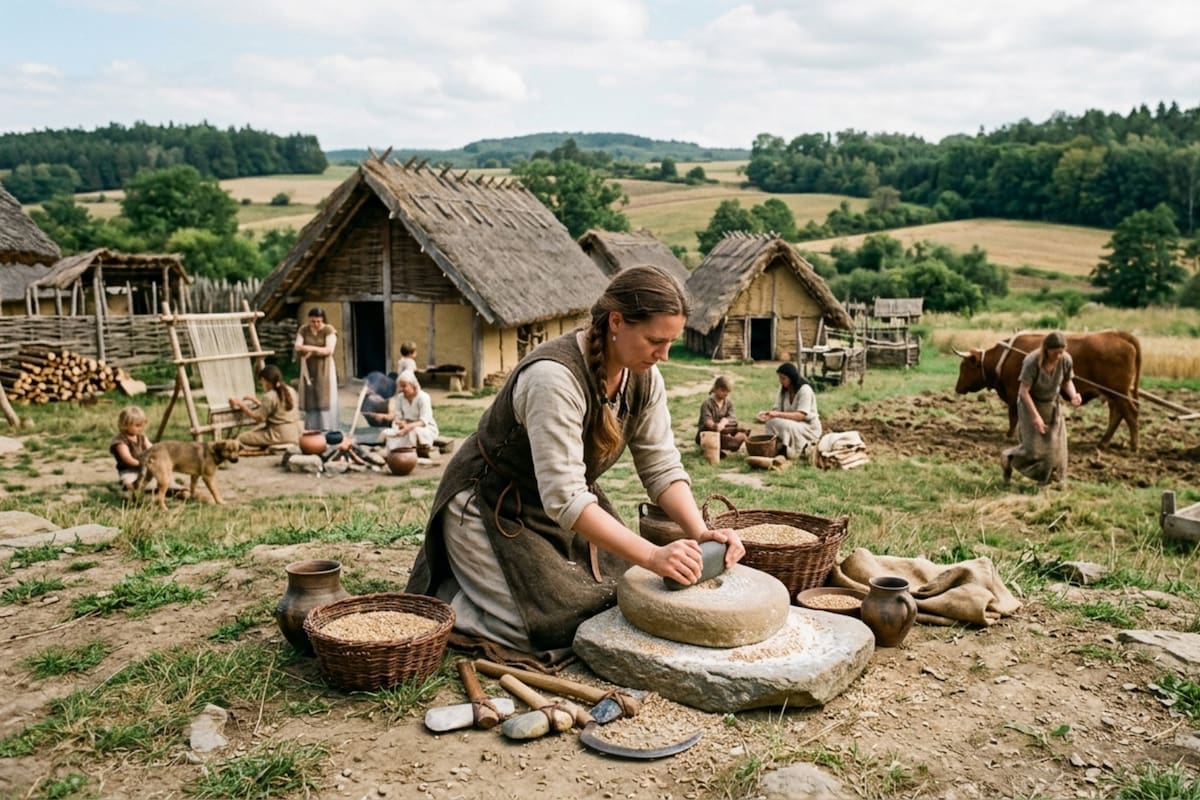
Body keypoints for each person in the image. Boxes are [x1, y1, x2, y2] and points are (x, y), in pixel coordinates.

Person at [405, 266, 745, 661]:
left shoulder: (644, 378)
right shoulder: (553, 378)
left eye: (670, 342)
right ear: (616, 322)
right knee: (546, 627)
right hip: (491, 505)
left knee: (615, 598)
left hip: (565, 506)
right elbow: (565, 496)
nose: (664, 355)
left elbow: (661, 466)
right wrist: (653, 555)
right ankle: (452, 598)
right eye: (656, 340)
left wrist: (700, 532)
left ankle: (493, 587)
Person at [1001, 331, 1082, 485]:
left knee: (1056, 448)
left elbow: (1066, 381)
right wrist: (1035, 417)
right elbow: (1023, 392)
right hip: (1030, 405)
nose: (1059, 356)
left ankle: (1049, 481)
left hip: (1052, 405)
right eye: (1055, 352)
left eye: (1062, 352)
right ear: (1046, 349)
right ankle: (1009, 457)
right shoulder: (1031, 362)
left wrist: (1073, 395)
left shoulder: (1065, 360)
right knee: (1033, 450)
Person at [756, 362, 821, 459]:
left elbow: (800, 416)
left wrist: (777, 414)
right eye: (780, 378)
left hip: (808, 426)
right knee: (770, 422)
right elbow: (777, 410)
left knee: (786, 426)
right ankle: (776, 448)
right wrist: (767, 415)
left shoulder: (805, 390)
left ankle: (791, 451)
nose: (780, 381)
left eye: (783, 378)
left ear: (791, 378)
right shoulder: (783, 389)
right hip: (791, 422)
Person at [229, 364, 302, 449]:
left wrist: (241, 405)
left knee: (241, 437)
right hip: (294, 433)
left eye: (261, 383)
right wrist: (256, 401)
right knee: (256, 431)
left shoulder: (270, 396)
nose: (262, 385)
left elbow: (259, 418)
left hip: (278, 435)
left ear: (264, 380)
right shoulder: (290, 390)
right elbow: (277, 409)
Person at [374, 370, 439, 457]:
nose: (402, 389)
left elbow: (424, 421)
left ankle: (408, 454)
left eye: (405, 386)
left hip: (424, 428)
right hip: (405, 426)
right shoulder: (400, 398)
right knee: (387, 432)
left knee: (413, 432)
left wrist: (408, 427)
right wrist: (400, 423)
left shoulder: (423, 397)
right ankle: (394, 451)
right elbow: (398, 416)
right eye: (401, 387)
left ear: (413, 385)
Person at [295, 307, 338, 431]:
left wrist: (310, 349)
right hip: (308, 367)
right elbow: (298, 347)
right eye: (313, 321)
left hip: (325, 367)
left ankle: (328, 427)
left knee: (324, 394)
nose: (315, 324)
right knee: (311, 394)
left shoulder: (328, 330)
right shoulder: (304, 330)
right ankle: (312, 428)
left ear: (322, 320)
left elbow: (329, 350)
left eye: (318, 321)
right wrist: (316, 349)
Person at [695, 375, 748, 457]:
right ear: (716, 389)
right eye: (723, 391)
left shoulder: (728, 403)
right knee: (732, 441)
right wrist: (716, 426)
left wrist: (724, 421)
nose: (726, 394)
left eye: (728, 392)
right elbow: (707, 421)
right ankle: (715, 447)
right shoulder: (707, 404)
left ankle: (728, 444)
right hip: (709, 432)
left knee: (743, 430)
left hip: (724, 430)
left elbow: (732, 418)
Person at [110, 405, 151, 495]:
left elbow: (151, 449)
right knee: (130, 482)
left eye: (142, 424)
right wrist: (142, 464)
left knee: (157, 477)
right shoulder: (120, 441)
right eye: (137, 425)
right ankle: (131, 490)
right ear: (125, 425)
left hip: (144, 468)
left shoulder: (142, 437)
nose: (141, 428)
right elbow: (127, 458)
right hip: (129, 470)